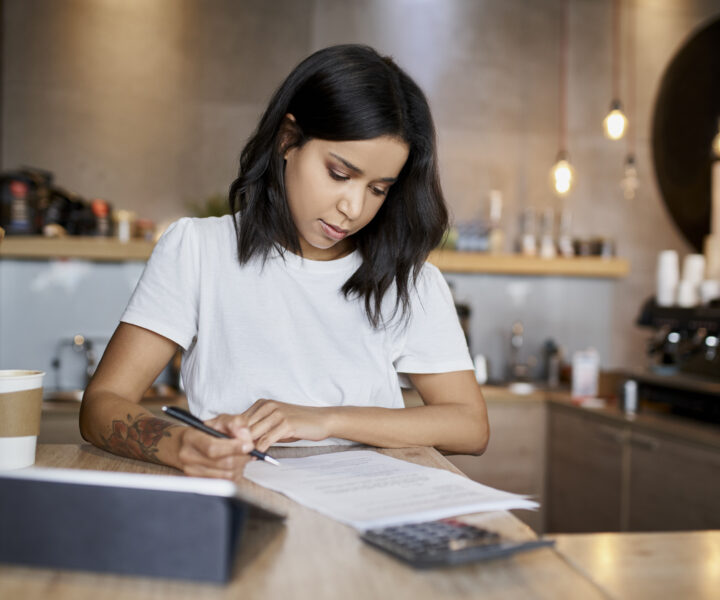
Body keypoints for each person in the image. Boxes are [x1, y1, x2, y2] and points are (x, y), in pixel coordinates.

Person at [80, 44, 489, 480]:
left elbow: (470, 426)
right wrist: (181, 444)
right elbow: (101, 403)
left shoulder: (410, 280)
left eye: (378, 189)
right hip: (241, 496)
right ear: (288, 140)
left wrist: (324, 420)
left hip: (372, 511)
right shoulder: (199, 249)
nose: (353, 207)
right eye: (340, 174)